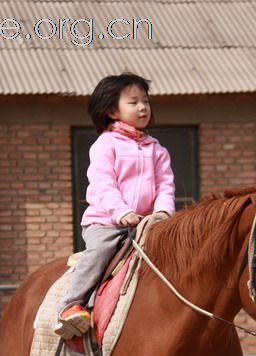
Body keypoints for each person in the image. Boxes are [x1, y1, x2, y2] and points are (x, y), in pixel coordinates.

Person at [54, 72, 175, 338]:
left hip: (145, 223)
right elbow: (103, 184)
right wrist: (122, 213)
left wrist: (163, 212)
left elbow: (166, 185)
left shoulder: (158, 150)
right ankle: (71, 305)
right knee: (100, 251)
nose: (143, 107)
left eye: (145, 101)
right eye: (133, 102)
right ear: (112, 110)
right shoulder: (104, 145)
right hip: (106, 222)